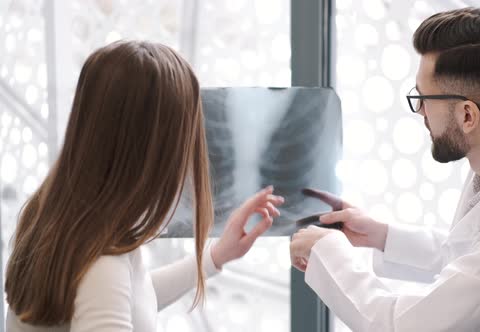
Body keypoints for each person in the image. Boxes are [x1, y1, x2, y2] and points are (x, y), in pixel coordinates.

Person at [290, 7, 480, 332]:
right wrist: (380, 235)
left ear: (467, 116)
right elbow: (477, 253)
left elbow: (398, 325)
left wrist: (326, 251)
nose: (420, 111)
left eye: (424, 98)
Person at [5, 40, 284, 331]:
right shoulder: (101, 264)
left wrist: (215, 256)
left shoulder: (60, 221)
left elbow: (132, 299)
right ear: (155, 152)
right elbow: (108, 291)